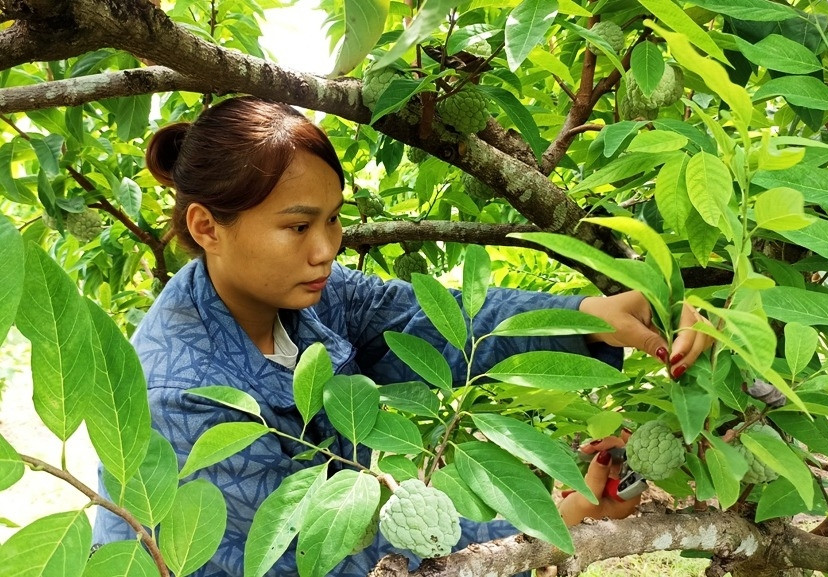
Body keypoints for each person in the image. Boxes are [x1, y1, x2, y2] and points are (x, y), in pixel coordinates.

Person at [92, 96, 711, 577]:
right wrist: (546, 522)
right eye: (298, 225)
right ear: (207, 226)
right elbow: (329, 552)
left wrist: (588, 316)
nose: (325, 249)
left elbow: (432, 323)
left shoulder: (304, 293)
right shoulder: (179, 393)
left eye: (333, 220)